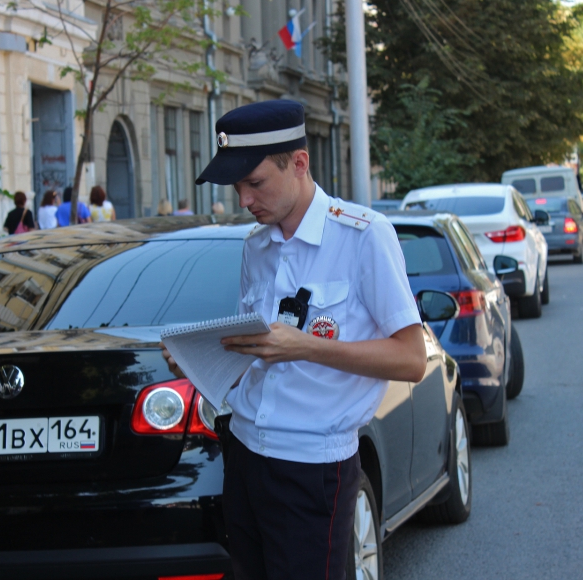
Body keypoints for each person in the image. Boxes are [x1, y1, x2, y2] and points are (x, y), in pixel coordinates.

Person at [162, 100, 426, 579]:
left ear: (299, 163)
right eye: (237, 186)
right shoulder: (256, 247)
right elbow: (257, 351)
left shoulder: (364, 237)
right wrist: (200, 361)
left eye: (255, 182)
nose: (244, 199)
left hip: (311, 467)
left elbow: (411, 360)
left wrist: (307, 346)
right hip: (245, 453)